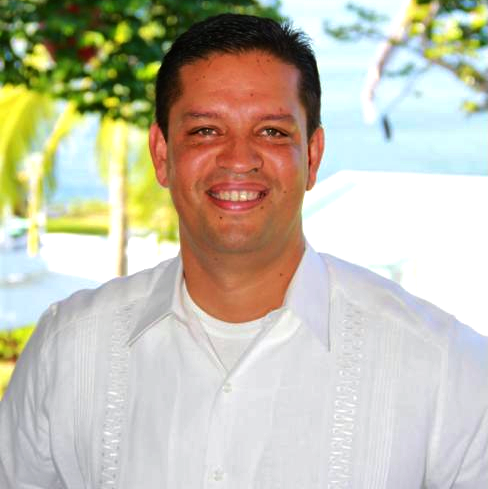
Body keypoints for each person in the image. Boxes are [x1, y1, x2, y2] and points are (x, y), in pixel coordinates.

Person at [1, 13, 487, 489]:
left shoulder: (448, 369)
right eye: (206, 130)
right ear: (163, 154)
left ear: (312, 157)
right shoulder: (67, 350)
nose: (238, 159)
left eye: (272, 131)